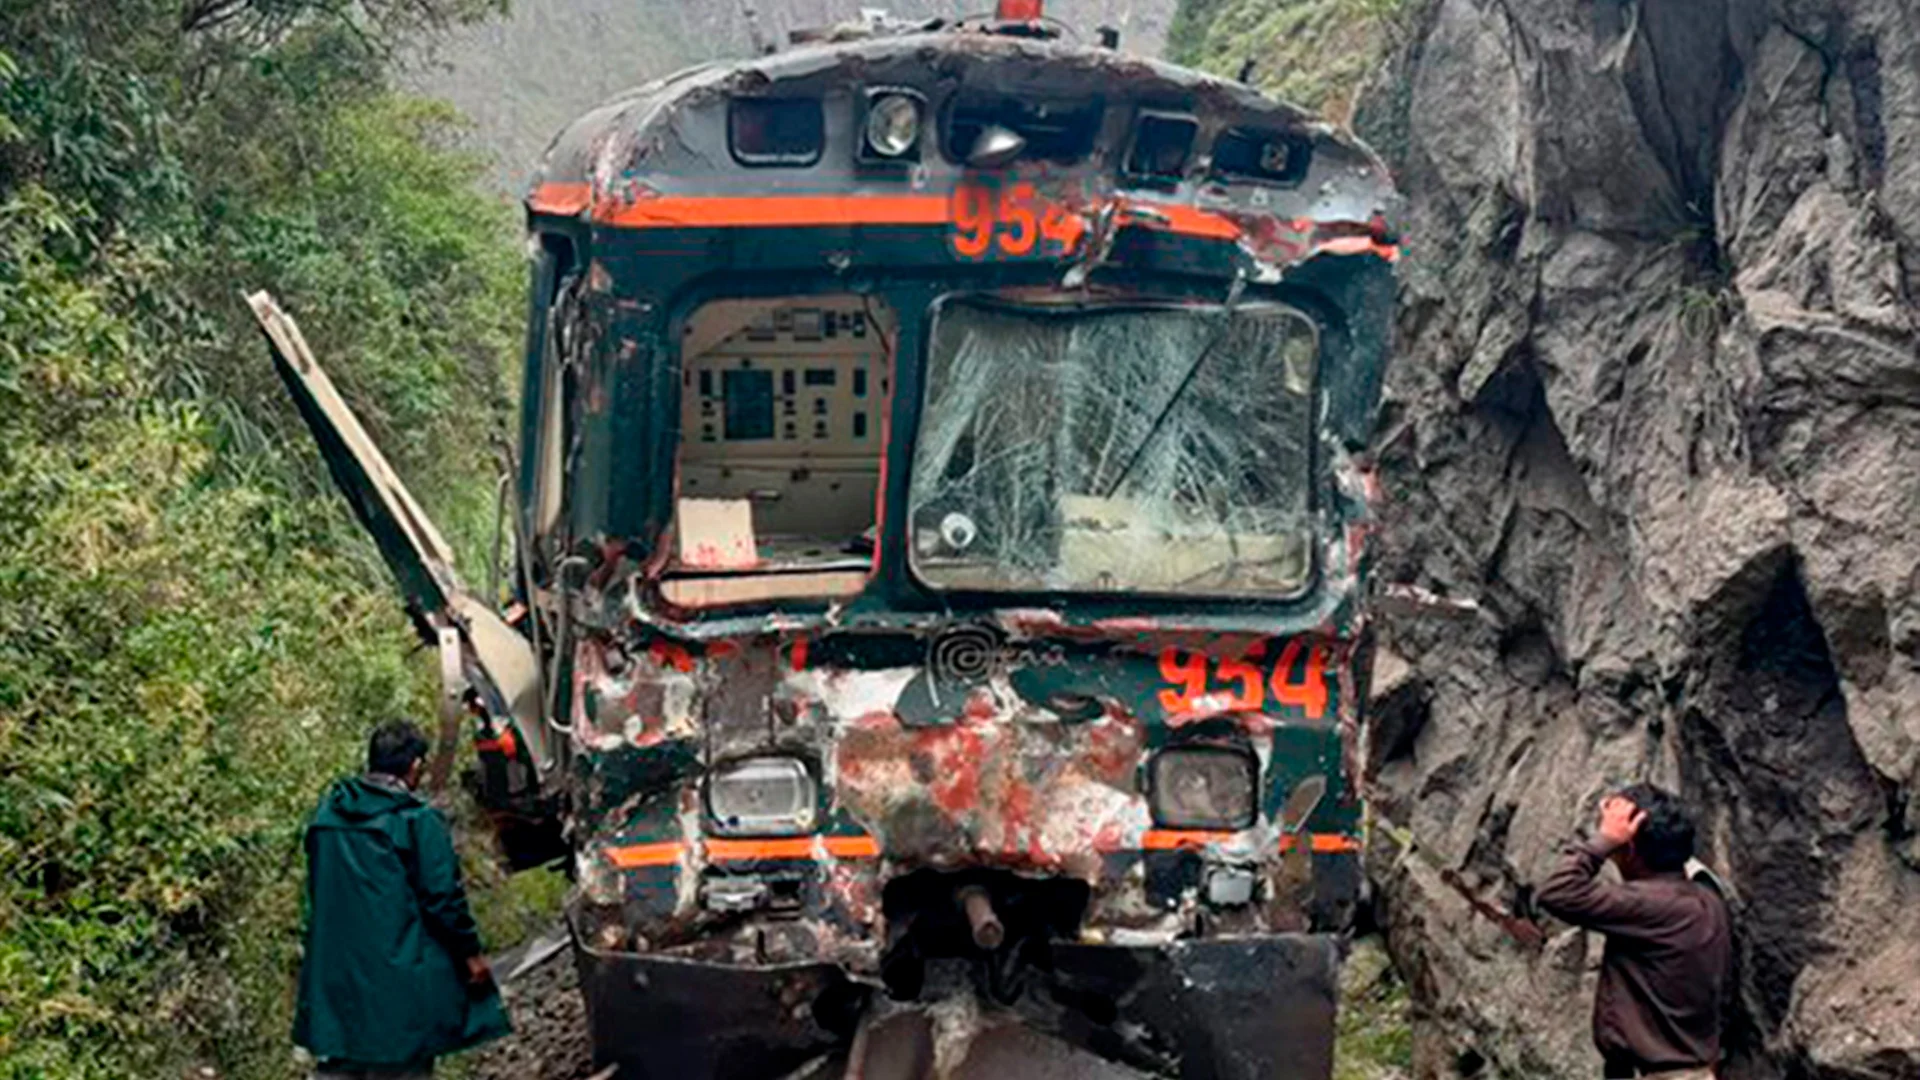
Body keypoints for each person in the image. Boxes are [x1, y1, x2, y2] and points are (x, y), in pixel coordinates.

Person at [293, 721, 511, 1078]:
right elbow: (443, 900)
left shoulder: (326, 818)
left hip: (336, 991)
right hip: (397, 990)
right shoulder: (415, 821)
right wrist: (470, 955)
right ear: (415, 766)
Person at [1536, 783, 1731, 1080]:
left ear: (1629, 849)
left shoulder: (1650, 905)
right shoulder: (1706, 897)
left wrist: (1604, 840)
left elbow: (1557, 892)